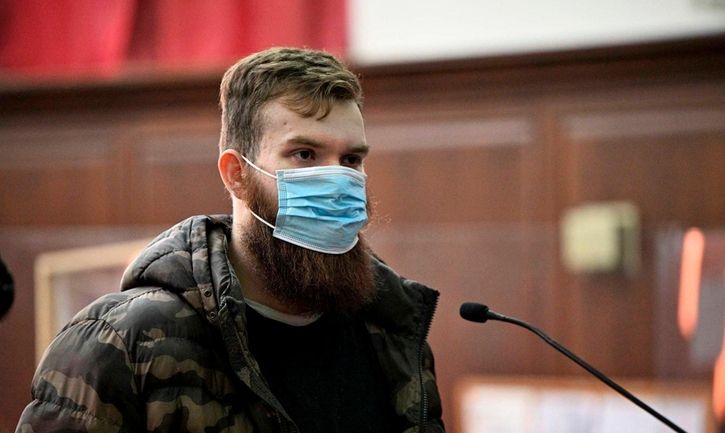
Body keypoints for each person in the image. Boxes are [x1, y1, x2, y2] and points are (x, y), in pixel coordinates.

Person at [16, 48, 444, 433]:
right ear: (236, 175)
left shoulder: (393, 337)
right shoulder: (123, 341)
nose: (338, 181)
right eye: (305, 155)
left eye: (351, 159)